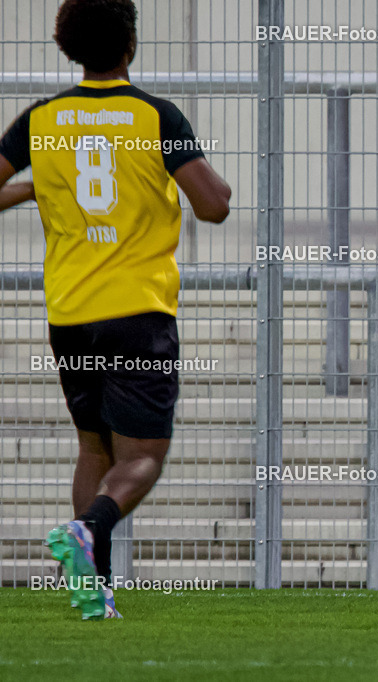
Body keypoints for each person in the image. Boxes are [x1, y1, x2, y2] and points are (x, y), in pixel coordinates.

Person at [0, 0, 231, 620]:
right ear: (130, 44)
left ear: (67, 48)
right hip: (138, 310)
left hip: (70, 313)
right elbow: (213, 205)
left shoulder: (41, 121)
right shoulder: (153, 115)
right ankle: (87, 530)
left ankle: (89, 591)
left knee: (93, 450)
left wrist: (38, 185)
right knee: (142, 458)